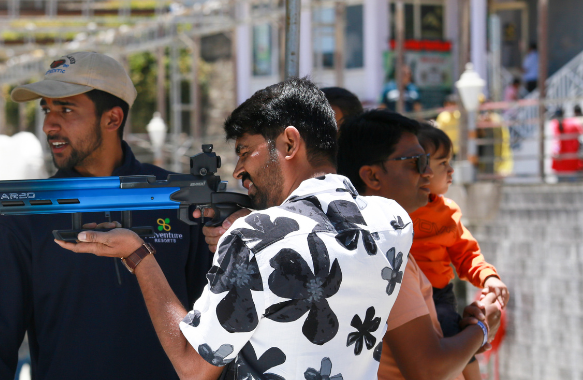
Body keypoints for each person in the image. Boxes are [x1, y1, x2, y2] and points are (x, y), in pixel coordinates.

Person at [57, 77, 424, 379]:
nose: (238, 171)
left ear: (290, 143)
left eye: (246, 151)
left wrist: (137, 255)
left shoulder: (255, 239)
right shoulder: (392, 222)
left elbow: (192, 366)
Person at [0, 51, 213, 379]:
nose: (49, 124)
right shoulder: (26, 214)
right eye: (47, 110)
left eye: (66, 109)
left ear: (112, 119)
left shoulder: (176, 199)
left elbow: (216, 326)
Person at [336, 110, 502, 380]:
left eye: (428, 160)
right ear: (372, 177)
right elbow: (427, 369)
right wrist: (483, 328)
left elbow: (466, 251)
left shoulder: (366, 237)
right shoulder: (381, 251)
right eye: (416, 162)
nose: (428, 173)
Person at [410, 123, 510, 379]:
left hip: (438, 295)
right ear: (418, 168)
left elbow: (467, 253)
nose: (451, 169)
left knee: (456, 337)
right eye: (443, 163)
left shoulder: (447, 212)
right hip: (404, 294)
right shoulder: (394, 205)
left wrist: (488, 276)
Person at [549, 108, 583, 179]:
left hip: (560, 164)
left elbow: (556, 143)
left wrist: (556, 153)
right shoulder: (573, 123)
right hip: (573, 164)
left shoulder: (555, 124)